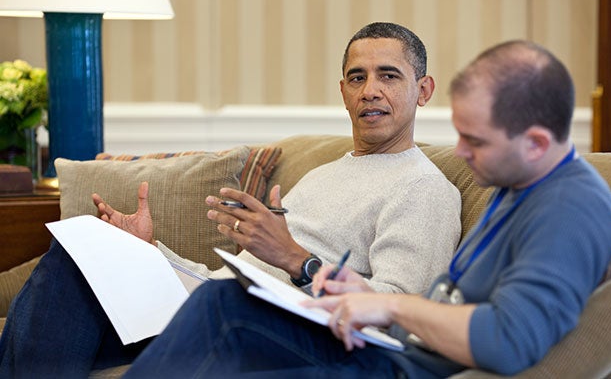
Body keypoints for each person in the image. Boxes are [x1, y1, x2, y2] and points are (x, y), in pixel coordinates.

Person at [121, 40, 611, 378]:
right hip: (387, 347)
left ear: (536, 141)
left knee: (223, 309)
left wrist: (393, 305)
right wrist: (357, 291)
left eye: (475, 141)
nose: (461, 155)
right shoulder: (527, 183)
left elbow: (513, 339)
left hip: (402, 368)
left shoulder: (569, 209)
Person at [0, 22, 462, 377]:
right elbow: (224, 277)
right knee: (78, 256)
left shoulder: (423, 189)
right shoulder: (324, 174)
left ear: (422, 91)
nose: (370, 91)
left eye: (389, 76)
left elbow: (402, 314)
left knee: (212, 301)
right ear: (343, 93)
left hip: (285, 334)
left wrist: (297, 259)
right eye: (357, 78)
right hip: (218, 304)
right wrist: (149, 251)